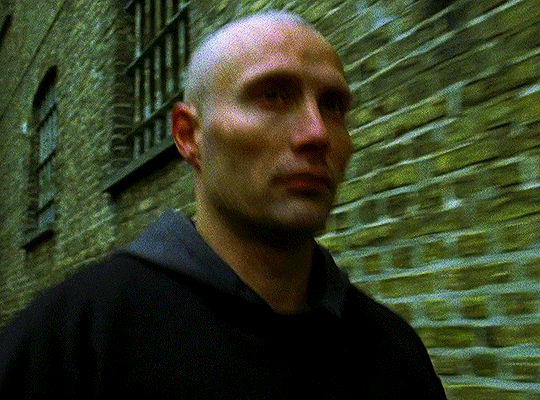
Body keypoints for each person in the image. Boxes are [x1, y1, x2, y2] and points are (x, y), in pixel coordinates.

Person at [0, 11, 447, 399]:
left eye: (332, 105)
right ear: (189, 135)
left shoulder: (394, 353)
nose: (318, 134)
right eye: (273, 95)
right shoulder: (73, 342)